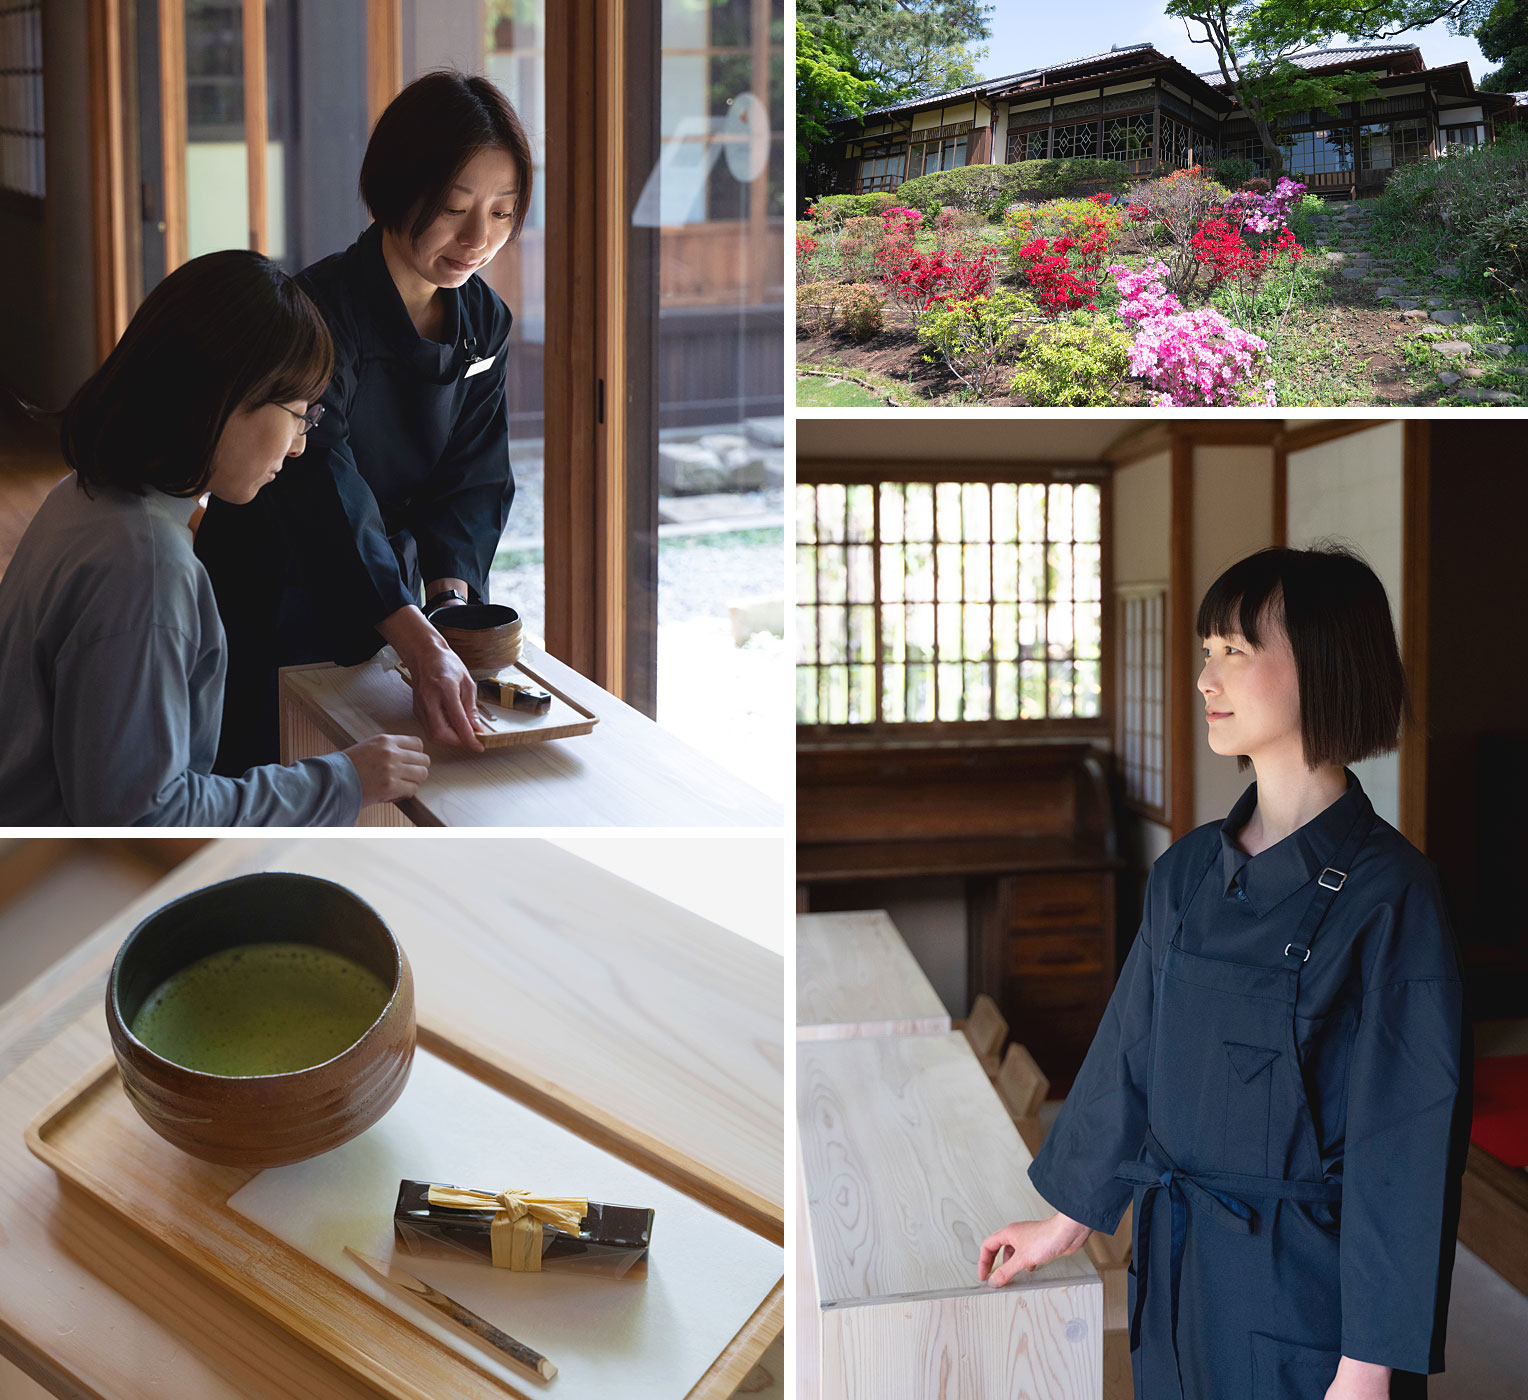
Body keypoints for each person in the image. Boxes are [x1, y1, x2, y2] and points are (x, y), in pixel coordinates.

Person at [977, 545, 1468, 1400]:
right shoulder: (1189, 869)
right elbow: (1131, 1053)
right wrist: (1066, 1219)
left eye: (1235, 652)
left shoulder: (1393, 897)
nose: (1206, 677)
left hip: (1307, 1300)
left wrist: (1367, 1366)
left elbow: (1408, 1150)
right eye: (1207, 651)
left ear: (1323, 665)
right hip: (1176, 1267)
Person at [0, 250, 429, 825]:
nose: (300, 443)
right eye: (299, 412)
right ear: (228, 395)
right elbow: (144, 820)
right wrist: (343, 779)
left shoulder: (84, 493)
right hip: (65, 893)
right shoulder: (147, 568)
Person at [195, 70, 534, 775]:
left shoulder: (485, 321)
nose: (479, 237)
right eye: (453, 207)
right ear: (394, 191)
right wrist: (415, 637)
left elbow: (474, 475)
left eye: (502, 212)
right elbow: (320, 480)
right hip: (276, 582)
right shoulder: (317, 311)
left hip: (389, 596)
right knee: (264, 772)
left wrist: (448, 597)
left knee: (380, 778)